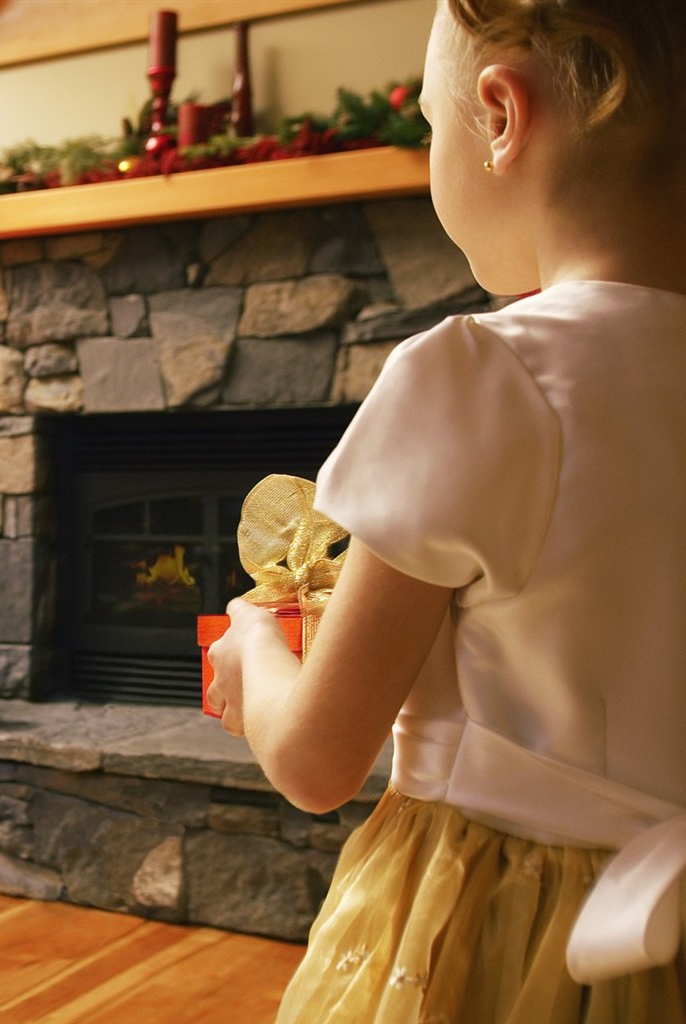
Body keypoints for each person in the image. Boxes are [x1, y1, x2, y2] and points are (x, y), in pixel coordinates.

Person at [205, 0, 686, 1020]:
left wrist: (252, 647)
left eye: (430, 125)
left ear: (499, 115)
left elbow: (315, 759)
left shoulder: (479, 373)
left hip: (499, 928)